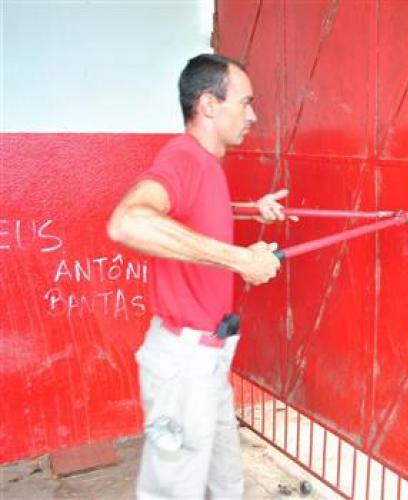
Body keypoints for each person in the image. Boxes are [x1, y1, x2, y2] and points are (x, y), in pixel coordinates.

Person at [107, 53, 285, 499]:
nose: (253, 115)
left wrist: (249, 207)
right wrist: (240, 260)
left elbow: (195, 216)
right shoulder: (184, 157)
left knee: (226, 484)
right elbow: (127, 222)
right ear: (208, 104)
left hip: (209, 362)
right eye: (244, 103)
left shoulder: (207, 165)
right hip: (184, 369)